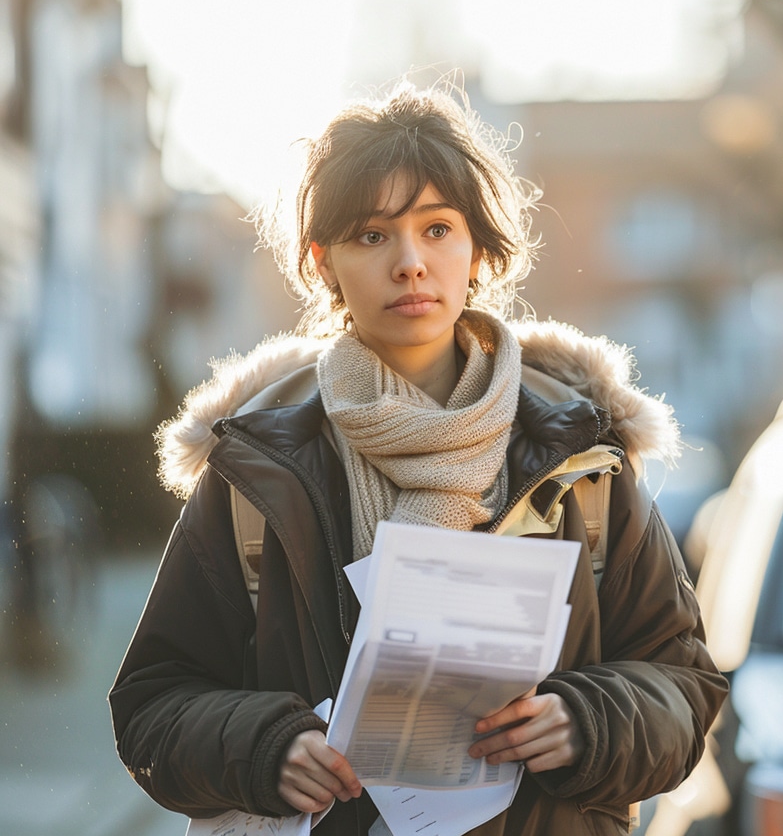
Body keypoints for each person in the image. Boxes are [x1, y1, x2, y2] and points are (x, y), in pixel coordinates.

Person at [109, 81, 728, 836]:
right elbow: (152, 703)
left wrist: (589, 721)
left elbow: (685, 682)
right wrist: (267, 747)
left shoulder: (581, 459)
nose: (410, 263)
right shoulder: (258, 469)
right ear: (323, 262)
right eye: (372, 235)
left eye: (437, 229)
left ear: (477, 249)